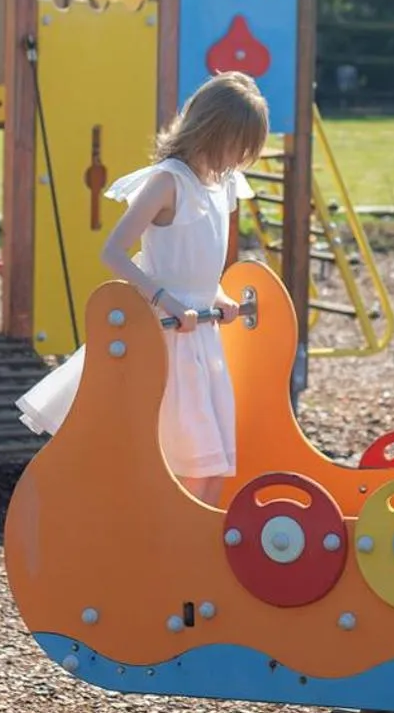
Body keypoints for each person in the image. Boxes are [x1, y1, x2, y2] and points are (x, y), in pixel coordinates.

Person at [15, 72, 269, 507]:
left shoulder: (223, 183)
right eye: (237, 143)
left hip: (199, 333)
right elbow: (113, 252)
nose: (240, 157)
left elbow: (204, 267)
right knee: (187, 454)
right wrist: (163, 299)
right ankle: (163, 542)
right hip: (166, 332)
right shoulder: (169, 181)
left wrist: (219, 299)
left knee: (214, 460)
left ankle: (185, 548)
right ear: (213, 130)